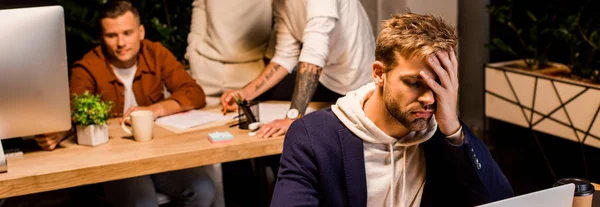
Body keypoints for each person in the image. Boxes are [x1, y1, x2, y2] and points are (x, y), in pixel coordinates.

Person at [270, 13, 514, 206]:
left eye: (438, 84)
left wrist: (453, 127)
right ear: (379, 74)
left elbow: (502, 200)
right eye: (414, 83)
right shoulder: (312, 137)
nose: (429, 98)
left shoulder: (446, 136)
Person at [35, 1, 215, 206]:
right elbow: (74, 113)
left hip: (157, 154)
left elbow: (194, 94)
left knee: (204, 189)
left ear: (141, 32)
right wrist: (59, 131)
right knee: (143, 201)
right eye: (112, 35)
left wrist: (155, 110)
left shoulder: (156, 53)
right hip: (114, 162)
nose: (121, 43)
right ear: (102, 37)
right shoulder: (87, 67)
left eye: (127, 33)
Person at [220, 0, 375, 138]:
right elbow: (285, 56)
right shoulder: (281, 3)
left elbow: (314, 51)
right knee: (261, 102)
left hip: (355, 85)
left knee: (297, 131)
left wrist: (292, 117)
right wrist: (245, 94)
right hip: (325, 78)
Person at [185, 0, 274, 98]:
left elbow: (282, 16)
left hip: (252, 74)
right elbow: (200, 6)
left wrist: (269, 60)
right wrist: (193, 51)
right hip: (204, 70)